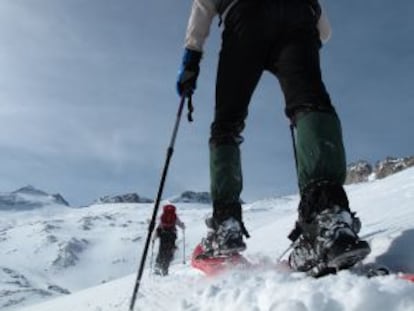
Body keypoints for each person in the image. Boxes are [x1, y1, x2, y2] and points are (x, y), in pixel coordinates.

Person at [176, 0, 371, 276]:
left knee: (227, 124)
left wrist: (192, 54)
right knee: (310, 102)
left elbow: (204, 3)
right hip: (299, 17)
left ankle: (226, 227)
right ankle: (328, 219)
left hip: (245, 16)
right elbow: (324, 31)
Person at [152, 204, 185, 276]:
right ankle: (165, 269)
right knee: (169, 252)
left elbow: (159, 226)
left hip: (163, 235)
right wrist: (183, 226)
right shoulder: (174, 216)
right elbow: (180, 224)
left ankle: (157, 266)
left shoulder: (163, 216)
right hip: (172, 235)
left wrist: (154, 237)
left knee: (161, 251)